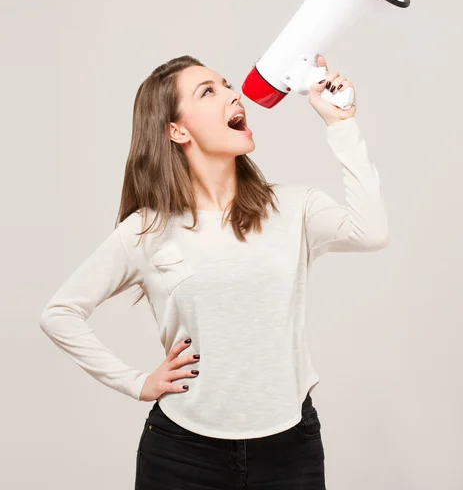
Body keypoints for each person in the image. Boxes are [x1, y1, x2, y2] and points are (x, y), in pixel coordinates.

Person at [39, 53, 388, 489]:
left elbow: (371, 232)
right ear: (176, 130)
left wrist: (340, 124)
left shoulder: (294, 207)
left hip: (289, 449)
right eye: (209, 91)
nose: (232, 94)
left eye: (226, 84)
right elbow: (59, 313)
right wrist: (135, 383)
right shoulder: (147, 229)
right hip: (182, 455)